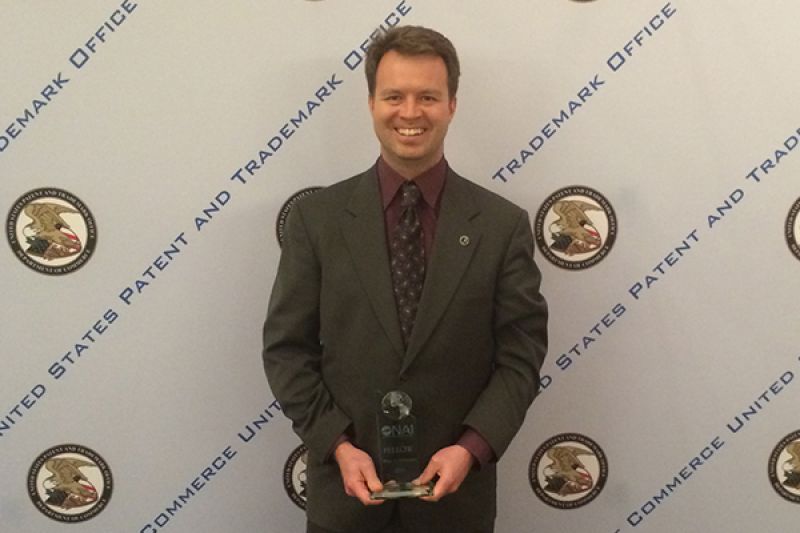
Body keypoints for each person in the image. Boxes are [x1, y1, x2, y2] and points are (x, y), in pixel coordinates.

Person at [263, 25, 547, 533]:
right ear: (371, 102)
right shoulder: (316, 221)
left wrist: (472, 448)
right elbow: (287, 350)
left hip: (457, 507)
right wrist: (336, 445)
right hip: (346, 504)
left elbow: (520, 358)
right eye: (394, 95)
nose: (410, 113)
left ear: (452, 105)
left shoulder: (502, 227)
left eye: (428, 97)